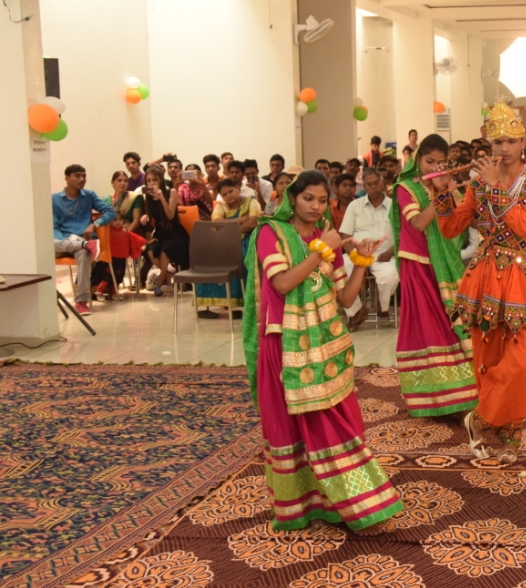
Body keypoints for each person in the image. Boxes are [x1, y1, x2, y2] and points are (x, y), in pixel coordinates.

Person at [242, 170, 403, 532]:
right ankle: (307, 506)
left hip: (326, 346)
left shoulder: (324, 236)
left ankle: (347, 503)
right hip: (285, 344)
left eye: (320, 200)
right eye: (307, 198)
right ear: (292, 199)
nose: (315, 206)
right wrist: (322, 249)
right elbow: (282, 283)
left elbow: (346, 298)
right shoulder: (272, 233)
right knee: (294, 426)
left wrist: (360, 261)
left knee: (336, 421)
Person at [430, 101, 526, 464]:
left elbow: (524, 226)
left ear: (523, 143)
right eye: (497, 141)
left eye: (511, 141)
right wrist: (442, 192)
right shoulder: (477, 185)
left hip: (524, 278)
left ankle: (480, 420)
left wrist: (495, 186)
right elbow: (451, 228)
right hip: (485, 278)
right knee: (490, 359)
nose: (504, 148)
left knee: (523, 365)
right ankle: (510, 438)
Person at [389, 135, 479, 417]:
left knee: (451, 325)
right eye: (430, 161)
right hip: (417, 265)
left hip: (444, 265)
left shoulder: (446, 185)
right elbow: (418, 223)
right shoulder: (406, 187)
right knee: (429, 328)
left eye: (441, 163)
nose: (435, 168)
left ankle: (458, 393)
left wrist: (458, 193)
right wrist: (440, 194)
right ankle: (432, 397)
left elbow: (459, 225)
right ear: (418, 159)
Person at [53, 165, 116, 315]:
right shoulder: (54, 199)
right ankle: (84, 244)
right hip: (61, 242)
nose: (82, 179)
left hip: (81, 239)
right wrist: (68, 243)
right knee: (48, 245)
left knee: (83, 252)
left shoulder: (89, 195)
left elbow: (110, 212)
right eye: (77, 176)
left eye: (84, 176)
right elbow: (54, 227)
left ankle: (81, 301)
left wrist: (95, 224)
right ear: (67, 178)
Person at [339, 168, 398, 326]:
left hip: (384, 254)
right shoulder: (354, 206)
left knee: (390, 276)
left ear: (382, 183)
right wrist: (358, 259)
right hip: (357, 253)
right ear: (363, 186)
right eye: (369, 184)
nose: (374, 187)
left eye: (376, 183)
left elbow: (403, 236)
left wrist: (390, 251)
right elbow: (345, 237)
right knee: (339, 271)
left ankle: (382, 304)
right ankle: (357, 310)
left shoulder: (394, 206)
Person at [195, 178, 259, 316]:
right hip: (225, 242)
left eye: (230, 191)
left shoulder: (251, 202)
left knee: (242, 256)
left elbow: (253, 223)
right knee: (209, 258)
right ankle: (214, 303)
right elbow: (217, 224)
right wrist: (240, 220)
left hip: (247, 240)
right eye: (224, 194)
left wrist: (228, 227)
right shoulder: (221, 206)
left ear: (238, 188)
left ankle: (245, 303)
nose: (228, 196)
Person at [91, 171, 147, 297]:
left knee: (112, 247)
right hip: (109, 233)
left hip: (127, 233)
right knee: (97, 246)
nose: (123, 183)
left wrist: (124, 232)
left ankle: (111, 283)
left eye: (125, 180)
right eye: (119, 180)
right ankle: (96, 283)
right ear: (112, 183)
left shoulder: (134, 198)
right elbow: (103, 219)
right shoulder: (106, 199)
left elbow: (136, 220)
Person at [140, 169, 190, 297]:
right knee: (150, 252)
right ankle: (168, 276)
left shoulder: (171, 192)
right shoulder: (148, 196)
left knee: (164, 253)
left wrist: (162, 198)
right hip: (160, 232)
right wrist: (146, 217)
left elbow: (170, 216)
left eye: (155, 180)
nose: (152, 183)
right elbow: (152, 217)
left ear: (161, 180)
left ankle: (159, 284)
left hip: (174, 232)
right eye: (148, 181)